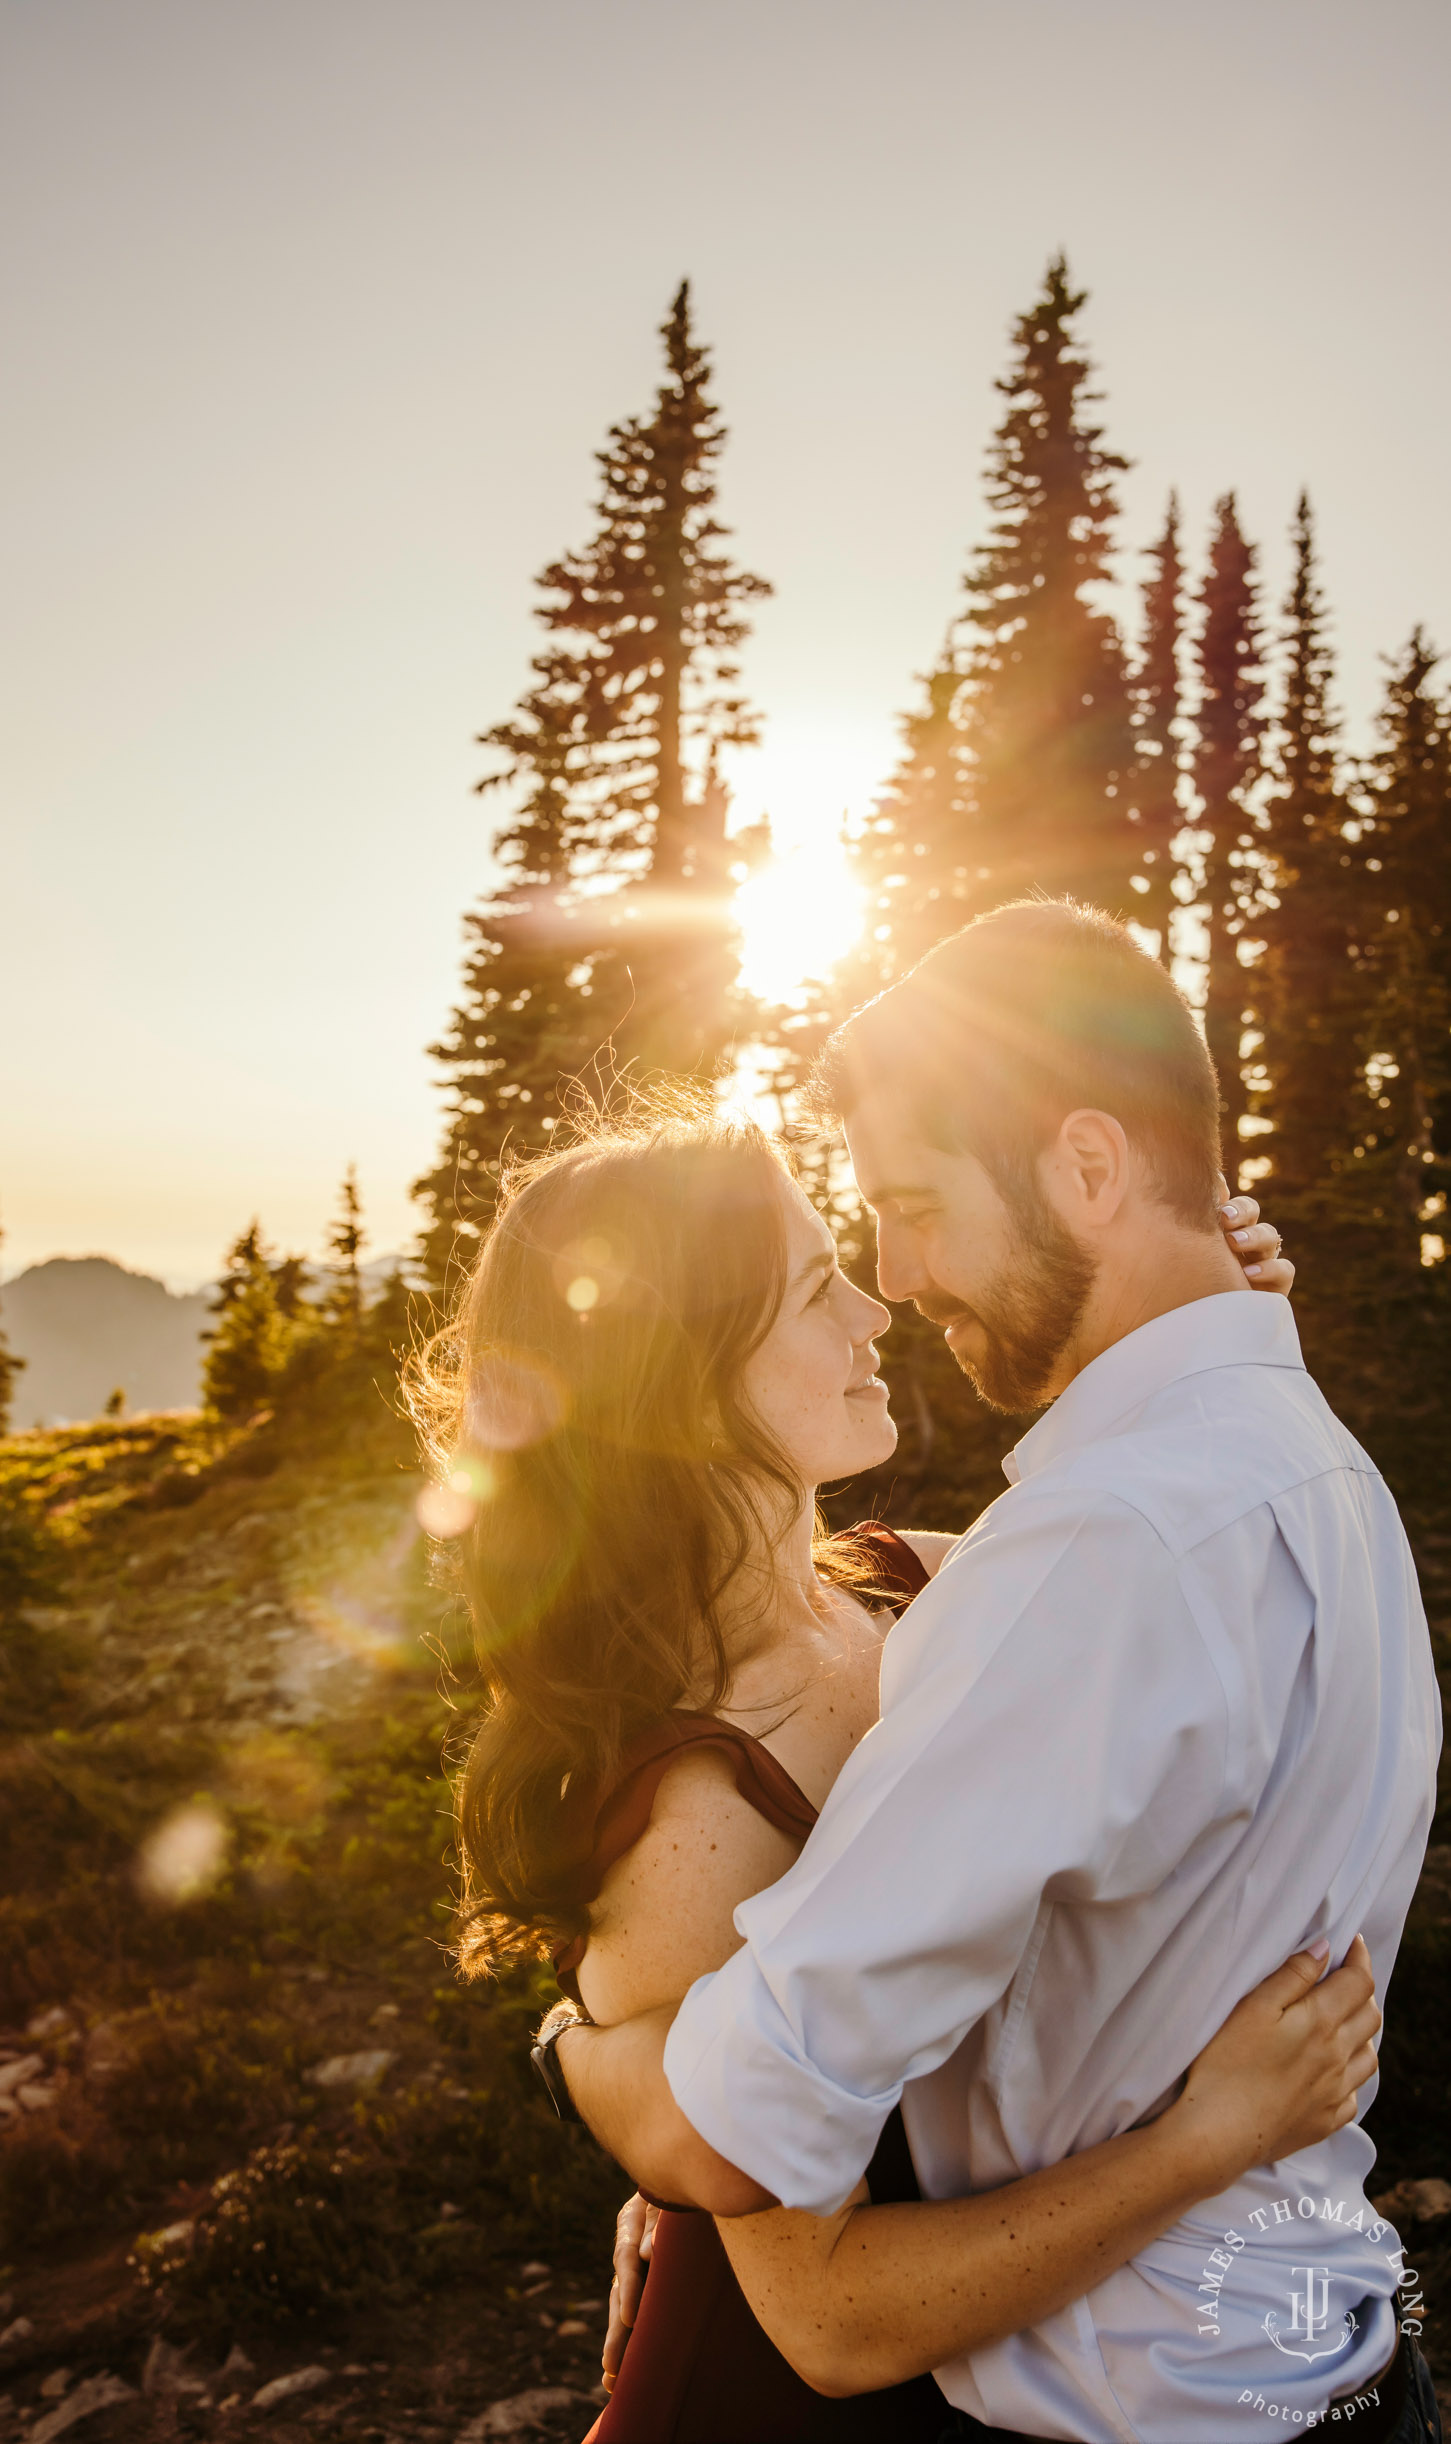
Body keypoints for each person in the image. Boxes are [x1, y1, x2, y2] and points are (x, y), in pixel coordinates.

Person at [546, 901, 1442, 2443]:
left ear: (1088, 1170)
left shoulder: (1078, 1566)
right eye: (833, 1259)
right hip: (1346, 2368)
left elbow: (727, 2127)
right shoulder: (1305, 1467)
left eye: (905, 1209)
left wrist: (567, 2046)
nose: (893, 1283)